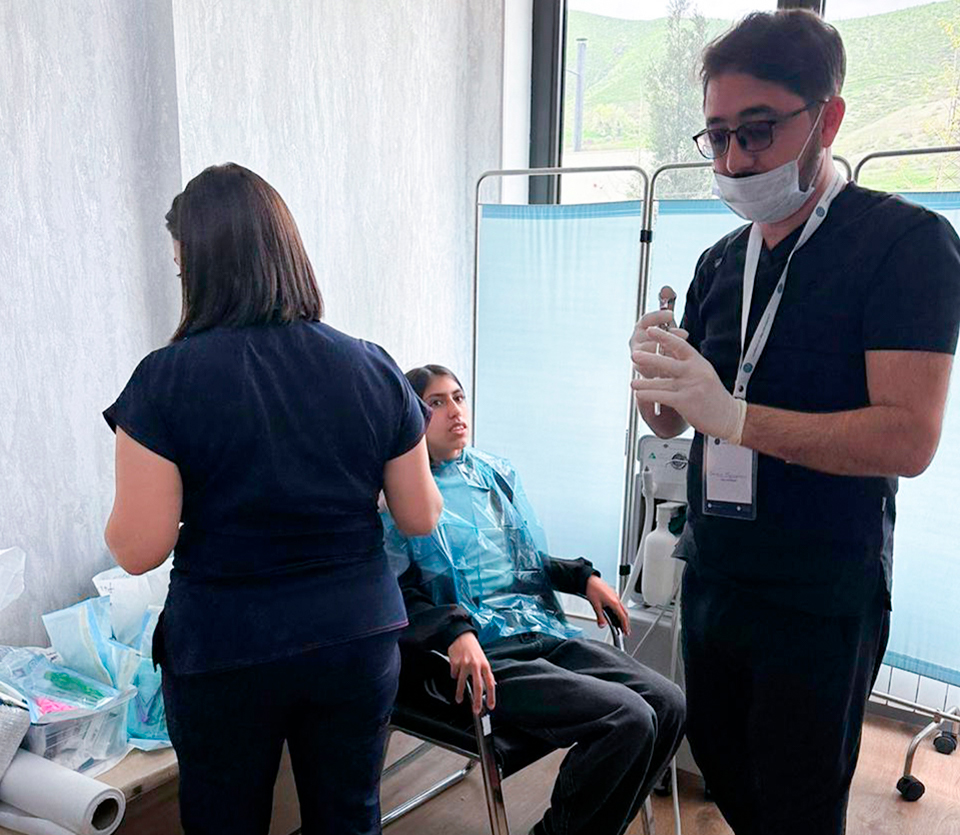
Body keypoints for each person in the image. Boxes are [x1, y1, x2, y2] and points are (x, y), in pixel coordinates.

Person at [630, 10, 960, 835]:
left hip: (818, 594)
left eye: (757, 131)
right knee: (728, 776)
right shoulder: (721, 261)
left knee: (798, 806)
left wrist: (737, 415)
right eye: (717, 136)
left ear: (828, 118)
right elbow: (675, 424)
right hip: (718, 572)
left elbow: (908, 438)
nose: (734, 160)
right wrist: (655, 386)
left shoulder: (905, 247)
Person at [103, 163, 442, 835]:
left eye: (182, 267)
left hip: (227, 649)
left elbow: (138, 549)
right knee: (349, 819)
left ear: (201, 269)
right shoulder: (371, 365)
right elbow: (420, 514)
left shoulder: (166, 380)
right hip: (355, 637)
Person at [382, 365, 685, 835]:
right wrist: (455, 631)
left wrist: (583, 577)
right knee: (627, 718)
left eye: (458, 397)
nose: (455, 411)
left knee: (668, 703)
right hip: (481, 658)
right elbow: (395, 593)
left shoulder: (490, 476)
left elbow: (522, 561)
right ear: (410, 417)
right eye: (435, 403)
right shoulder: (400, 498)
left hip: (536, 630)